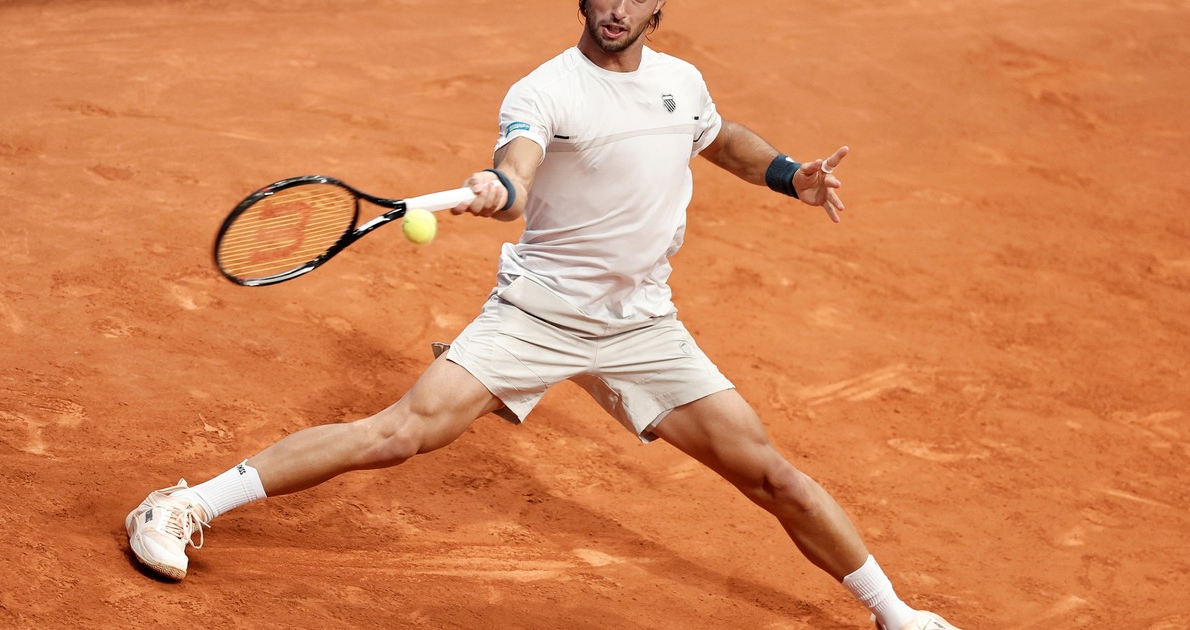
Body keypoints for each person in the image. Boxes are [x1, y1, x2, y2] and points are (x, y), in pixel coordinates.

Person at [126, 1, 961, 628]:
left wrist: (788, 175)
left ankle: (896, 614)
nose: (615, 8)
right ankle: (182, 505)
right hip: (542, 312)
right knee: (399, 435)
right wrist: (502, 186)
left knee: (771, 474)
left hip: (642, 324)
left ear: (659, 6)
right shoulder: (545, 90)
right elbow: (518, 162)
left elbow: (718, 136)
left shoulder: (680, 83)